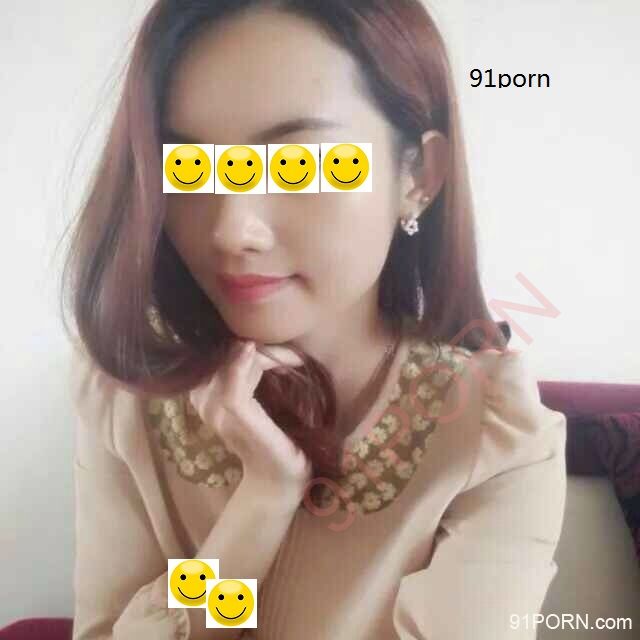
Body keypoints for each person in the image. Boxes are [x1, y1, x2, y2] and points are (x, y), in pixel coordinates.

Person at [62, 1, 567, 638]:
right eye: (188, 167)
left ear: (419, 176)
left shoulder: (492, 435)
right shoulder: (127, 396)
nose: (232, 230)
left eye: (297, 164)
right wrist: (258, 509)